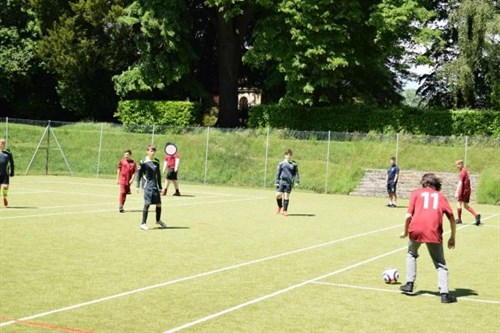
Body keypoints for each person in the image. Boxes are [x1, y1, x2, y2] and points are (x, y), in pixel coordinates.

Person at [399, 173, 457, 303]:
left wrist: (404, 232)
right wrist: (453, 236)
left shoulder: (415, 193)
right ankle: (444, 294)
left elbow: (408, 216)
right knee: (440, 264)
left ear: (423, 183)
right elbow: (452, 218)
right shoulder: (441, 197)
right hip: (433, 231)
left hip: (416, 229)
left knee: (411, 254)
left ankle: (409, 284)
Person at [136, 144, 166, 230]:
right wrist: (138, 186)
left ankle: (158, 220)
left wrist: (160, 186)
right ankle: (143, 223)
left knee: (159, 204)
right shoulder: (143, 162)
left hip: (155, 186)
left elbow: (158, 175)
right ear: (147, 151)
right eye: (151, 151)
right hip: (147, 186)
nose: (152, 152)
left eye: (153, 151)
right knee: (147, 204)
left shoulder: (157, 161)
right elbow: (139, 174)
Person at [454, 160, 480, 225]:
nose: (457, 166)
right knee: (465, 205)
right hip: (468, 190)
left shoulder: (462, 172)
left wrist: (457, 191)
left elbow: (460, 182)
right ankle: (476, 215)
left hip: (463, 190)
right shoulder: (466, 170)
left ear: (461, 164)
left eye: (458, 165)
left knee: (458, 204)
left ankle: (459, 219)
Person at [274, 149, 300, 216]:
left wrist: (297, 181)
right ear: (285, 156)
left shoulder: (294, 164)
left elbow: (296, 173)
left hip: (289, 183)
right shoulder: (281, 163)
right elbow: (278, 173)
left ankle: (285, 211)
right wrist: (277, 181)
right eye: (287, 155)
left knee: (286, 196)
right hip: (282, 182)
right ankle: (280, 206)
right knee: (278, 195)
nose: (289, 156)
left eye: (290, 155)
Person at [0, 138, 15, 207]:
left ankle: (5, 197)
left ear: (4, 145)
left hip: (5, 173)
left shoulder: (8, 153)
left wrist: (12, 172)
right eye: (0, 143)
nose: (1, 144)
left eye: (3, 143)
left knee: (5, 187)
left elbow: (12, 163)